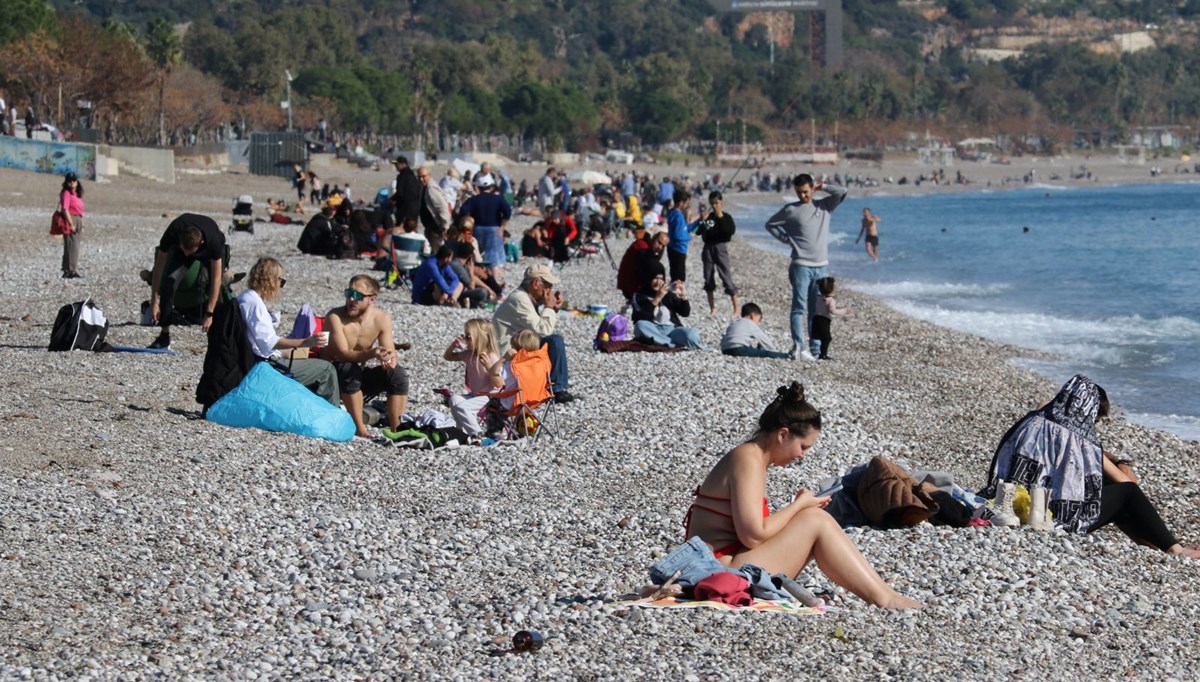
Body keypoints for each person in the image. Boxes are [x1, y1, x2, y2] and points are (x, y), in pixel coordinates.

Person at [684, 382, 923, 608]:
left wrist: (800, 508)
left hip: (724, 566)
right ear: (783, 434)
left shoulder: (750, 457)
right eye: (803, 447)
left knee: (812, 517)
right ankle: (884, 599)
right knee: (814, 520)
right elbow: (754, 536)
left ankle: (887, 595)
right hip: (720, 572)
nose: (802, 456)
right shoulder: (748, 459)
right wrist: (798, 506)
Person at [982, 375, 1200, 559]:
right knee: (1127, 494)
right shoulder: (1082, 441)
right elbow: (1129, 483)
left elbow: (1043, 404)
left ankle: (1155, 547)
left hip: (1008, 502)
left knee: (1109, 490)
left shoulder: (1032, 420)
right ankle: (1176, 549)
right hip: (1053, 516)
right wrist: (1119, 462)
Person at [765, 173, 847, 361]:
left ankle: (816, 350)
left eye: (805, 192)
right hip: (801, 265)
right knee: (799, 307)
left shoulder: (824, 206)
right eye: (799, 192)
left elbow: (842, 192)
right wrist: (787, 240)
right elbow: (770, 225)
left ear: (812, 189)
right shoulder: (790, 210)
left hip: (821, 267)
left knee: (817, 310)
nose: (802, 196)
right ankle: (799, 347)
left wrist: (822, 186)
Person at [236, 257, 340, 405]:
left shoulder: (244, 297)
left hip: (252, 358)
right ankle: (331, 414)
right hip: (264, 365)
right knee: (326, 369)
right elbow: (269, 343)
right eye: (281, 281)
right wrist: (306, 342)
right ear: (270, 280)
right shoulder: (254, 303)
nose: (280, 286)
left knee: (304, 359)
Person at [324, 275, 408, 438]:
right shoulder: (335, 317)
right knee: (349, 368)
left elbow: (390, 350)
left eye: (358, 296)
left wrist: (389, 360)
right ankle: (359, 427)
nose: (351, 299)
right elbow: (342, 354)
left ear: (372, 299)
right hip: (332, 376)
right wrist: (372, 353)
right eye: (349, 293)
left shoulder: (381, 319)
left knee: (397, 374)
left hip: (357, 377)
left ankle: (397, 428)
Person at [492, 264, 579, 404]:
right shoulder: (519, 299)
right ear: (535, 283)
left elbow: (539, 327)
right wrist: (549, 307)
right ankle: (557, 389)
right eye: (547, 286)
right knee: (555, 341)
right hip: (507, 355)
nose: (549, 291)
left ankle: (555, 386)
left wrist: (553, 310)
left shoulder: (526, 298)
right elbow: (543, 329)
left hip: (517, 348)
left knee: (553, 341)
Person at [148, 213, 227, 349]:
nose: (187, 254)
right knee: (168, 284)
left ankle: (219, 337)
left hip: (208, 253)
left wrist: (209, 313)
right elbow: (159, 267)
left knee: (218, 292)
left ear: (200, 243)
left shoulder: (213, 241)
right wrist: (155, 300)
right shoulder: (174, 231)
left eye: (189, 252)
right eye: (185, 250)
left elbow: (216, 278)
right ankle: (164, 335)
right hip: (183, 245)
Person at [443, 319, 504, 437]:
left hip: (490, 397)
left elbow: (499, 384)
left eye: (469, 337)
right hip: (475, 395)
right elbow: (448, 357)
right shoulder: (469, 354)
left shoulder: (491, 357)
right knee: (454, 399)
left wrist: (489, 367)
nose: (465, 339)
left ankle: (477, 434)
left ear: (480, 338)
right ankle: (461, 432)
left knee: (462, 407)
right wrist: (452, 346)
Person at [630, 262, 704, 350]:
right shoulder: (638, 296)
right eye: (655, 278)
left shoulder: (667, 294)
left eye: (661, 278)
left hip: (671, 330)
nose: (658, 282)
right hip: (652, 330)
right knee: (640, 325)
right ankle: (670, 344)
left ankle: (663, 342)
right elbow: (642, 317)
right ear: (648, 278)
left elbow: (685, 313)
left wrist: (683, 296)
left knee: (692, 334)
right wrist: (657, 298)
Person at [694, 190, 739, 317]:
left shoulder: (726, 217)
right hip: (708, 248)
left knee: (725, 275)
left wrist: (720, 217)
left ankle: (736, 308)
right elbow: (698, 232)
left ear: (721, 202)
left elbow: (729, 231)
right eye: (712, 203)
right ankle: (712, 308)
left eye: (717, 203)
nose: (715, 206)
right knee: (708, 277)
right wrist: (702, 220)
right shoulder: (709, 218)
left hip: (720, 247)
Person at [458, 175, 512, 268]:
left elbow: (463, 210)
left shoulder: (473, 199)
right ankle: (494, 279)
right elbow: (508, 211)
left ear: (478, 187)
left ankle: (481, 274)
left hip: (477, 228)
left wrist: (470, 221)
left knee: (478, 253)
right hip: (494, 229)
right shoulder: (498, 198)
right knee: (493, 257)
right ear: (491, 187)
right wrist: (502, 227)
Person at [720, 303, 790, 360]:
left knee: (752, 350)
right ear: (752, 316)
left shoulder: (735, 323)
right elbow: (764, 339)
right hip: (738, 349)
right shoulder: (750, 323)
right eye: (759, 319)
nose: (758, 323)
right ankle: (787, 356)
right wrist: (773, 352)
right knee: (764, 353)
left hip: (725, 350)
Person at [617, 227, 669, 303]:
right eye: (659, 242)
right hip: (630, 287)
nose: (660, 247)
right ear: (654, 238)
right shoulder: (642, 247)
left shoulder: (644, 245)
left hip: (629, 285)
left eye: (663, 246)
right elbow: (654, 268)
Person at [811, 277, 852, 360]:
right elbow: (832, 311)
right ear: (832, 289)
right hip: (824, 321)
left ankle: (818, 352)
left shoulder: (819, 298)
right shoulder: (830, 300)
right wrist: (844, 311)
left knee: (821, 337)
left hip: (816, 319)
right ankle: (823, 355)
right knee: (826, 338)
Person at [57, 172, 84, 279]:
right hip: (70, 219)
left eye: (74, 180)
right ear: (66, 182)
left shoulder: (76, 194)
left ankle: (69, 269)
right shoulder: (66, 193)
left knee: (74, 245)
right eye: (70, 181)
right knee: (72, 246)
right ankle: (71, 270)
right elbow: (65, 209)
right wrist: (71, 224)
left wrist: (82, 223)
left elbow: (80, 209)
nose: (72, 182)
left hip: (78, 219)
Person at [417, 165, 451, 250]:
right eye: (419, 177)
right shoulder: (425, 187)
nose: (421, 179)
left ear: (429, 175)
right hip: (430, 227)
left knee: (437, 252)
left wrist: (445, 226)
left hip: (436, 227)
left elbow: (442, 207)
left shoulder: (431, 188)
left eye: (423, 176)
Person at [665, 190, 692, 283]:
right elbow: (678, 235)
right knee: (679, 278)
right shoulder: (678, 216)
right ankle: (677, 295)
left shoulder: (673, 212)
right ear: (681, 203)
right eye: (686, 203)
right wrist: (689, 237)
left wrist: (699, 222)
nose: (687, 205)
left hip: (673, 248)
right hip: (678, 249)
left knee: (675, 275)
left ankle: (675, 294)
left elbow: (685, 228)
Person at [391, 156, 422, 234]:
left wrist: (392, 199)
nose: (395, 166)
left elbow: (400, 193)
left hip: (405, 208)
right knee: (412, 228)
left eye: (396, 164)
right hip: (415, 207)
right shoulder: (413, 175)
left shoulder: (402, 176)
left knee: (400, 229)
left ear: (402, 164)